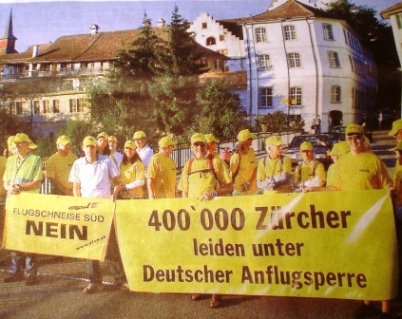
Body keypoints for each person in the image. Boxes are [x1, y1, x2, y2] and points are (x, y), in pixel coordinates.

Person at [305, 124, 393, 318]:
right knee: (361, 263)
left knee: (381, 262)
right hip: (353, 222)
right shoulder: (342, 163)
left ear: (363, 138)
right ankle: (367, 303)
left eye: (357, 137)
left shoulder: (375, 161)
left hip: (375, 221)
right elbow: (336, 188)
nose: (354, 141)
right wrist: (315, 190)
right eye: (350, 137)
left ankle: (386, 308)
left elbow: (389, 186)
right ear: (346, 139)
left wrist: (392, 194)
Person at [178, 133, 233, 308]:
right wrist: (185, 211)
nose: (199, 148)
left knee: (214, 252)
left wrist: (214, 193)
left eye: (202, 145)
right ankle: (200, 286)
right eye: (196, 145)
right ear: (191, 147)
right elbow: (184, 191)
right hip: (195, 217)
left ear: (206, 146)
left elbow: (230, 187)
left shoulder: (215, 161)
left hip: (214, 217)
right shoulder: (189, 165)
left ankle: (216, 292)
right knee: (197, 252)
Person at [69, 136, 128, 293]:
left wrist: (113, 197)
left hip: (104, 209)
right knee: (90, 246)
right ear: (83, 148)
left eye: (92, 146)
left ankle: (120, 280)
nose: (89, 149)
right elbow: (76, 188)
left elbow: (117, 182)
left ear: (96, 148)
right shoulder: (78, 164)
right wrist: (79, 205)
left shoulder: (106, 161)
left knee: (112, 245)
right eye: (87, 146)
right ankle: (94, 281)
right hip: (87, 211)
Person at [3, 133, 43, 285]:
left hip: (28, 204)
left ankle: (31, 273)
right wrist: (10, 188)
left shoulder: (35, 159)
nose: (18, 145)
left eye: (21, 143)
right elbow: (6, 182)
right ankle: (16, 271)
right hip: (13, 203)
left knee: (29, 239)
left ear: (28, 144)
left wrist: (20, 187)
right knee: (14, 239)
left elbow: (37, 182)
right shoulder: (10, 160)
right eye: (16, 143)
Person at [230, 129, 258, 195]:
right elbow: (231, 174)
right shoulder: (236, 156)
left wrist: (250, 181)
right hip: (240, 190)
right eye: (250, 138)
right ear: (246, 141)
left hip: (252, 189)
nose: (252, 140)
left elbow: (255, 168)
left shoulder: (251, 151)